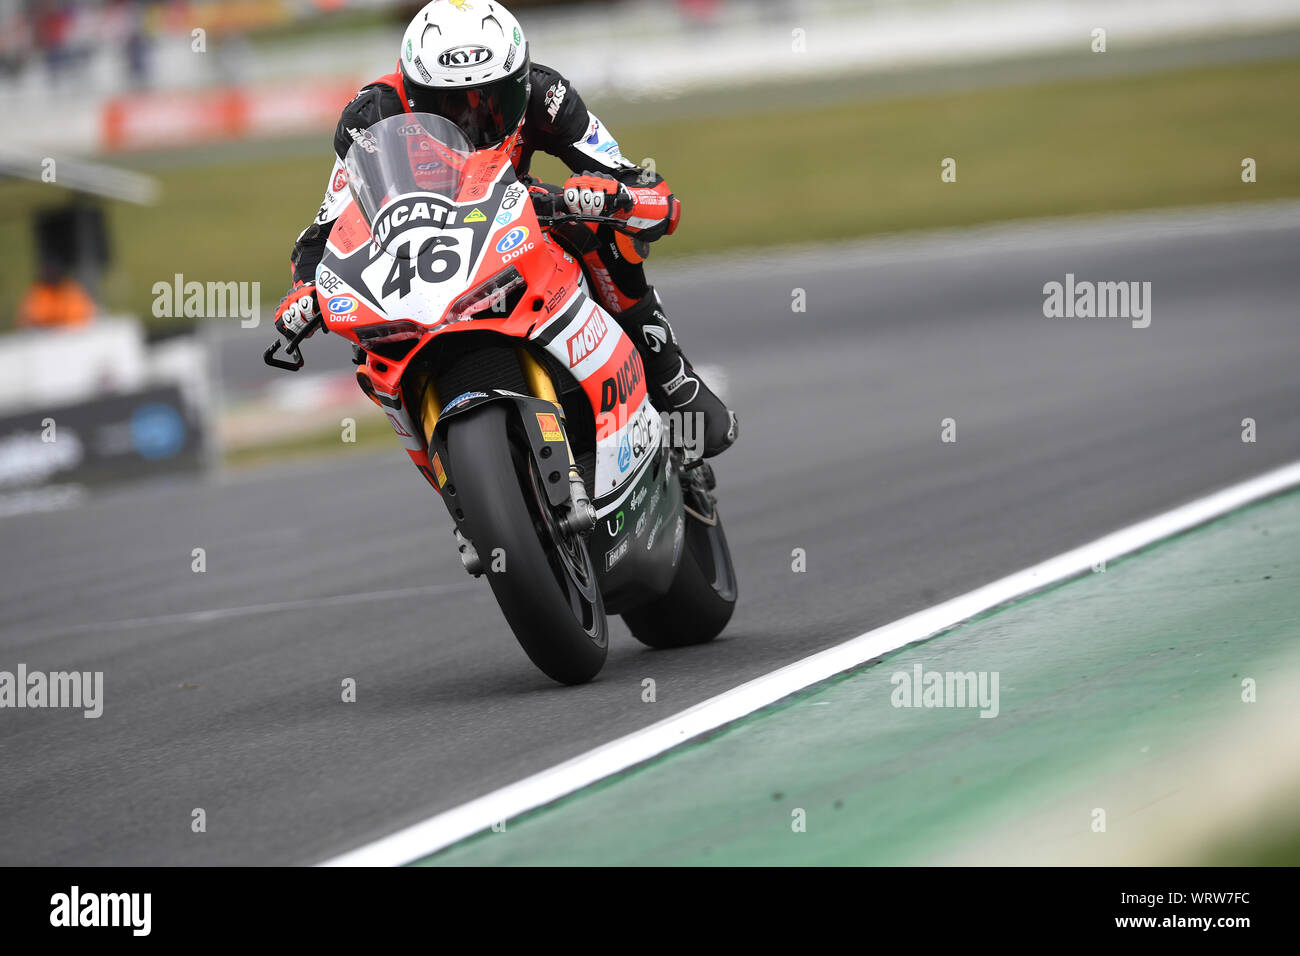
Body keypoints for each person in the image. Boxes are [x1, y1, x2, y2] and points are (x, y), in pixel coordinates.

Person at [273, 0, 736, 457]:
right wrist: (304, 290)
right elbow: (325, 230)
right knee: (369, 349)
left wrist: (619, 199)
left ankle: (668, 375)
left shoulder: (546, 95)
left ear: (519, 80)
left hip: (511, 214)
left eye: (494, 100)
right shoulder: (370, 117)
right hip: (417, 249)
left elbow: (633, 180)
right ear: (414, 96)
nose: (475, 119)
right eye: (451, 107)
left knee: (601, 230)